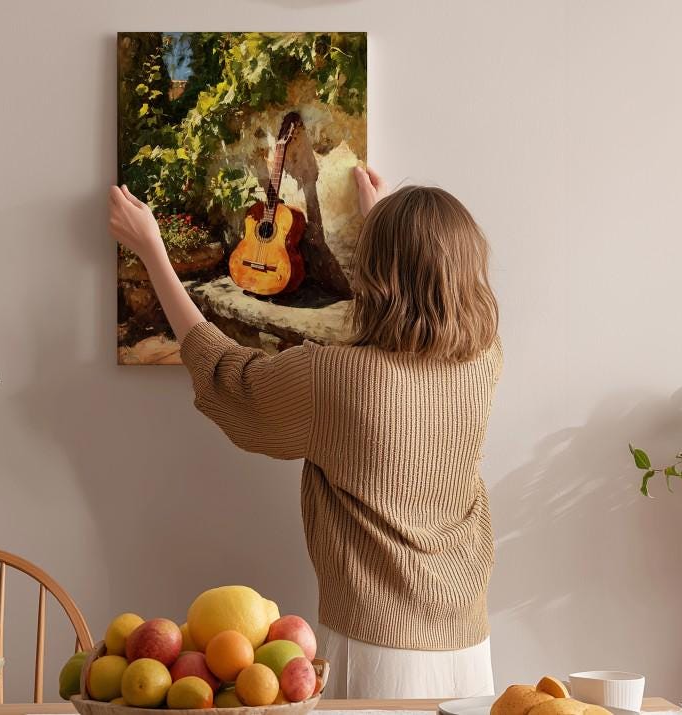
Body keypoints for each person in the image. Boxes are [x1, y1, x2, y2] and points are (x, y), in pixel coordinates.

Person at [108, 166, 502, 699]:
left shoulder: (335, 377)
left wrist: (152, 248)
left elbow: (227, 372)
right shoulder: (484, 360)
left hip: (376, 645)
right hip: (469, 644)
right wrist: (381, 221)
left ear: (375, 272)